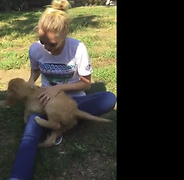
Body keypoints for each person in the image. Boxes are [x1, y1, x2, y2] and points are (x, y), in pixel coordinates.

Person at [8, 0, 117, 179]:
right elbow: (35, 70)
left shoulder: (78, 48)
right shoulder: (35, 49)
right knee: (29, 133)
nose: (47, 49)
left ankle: (58, 124)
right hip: (44, 101)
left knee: (109, 98)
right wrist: (30, 82)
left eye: (53, 44)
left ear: (65, 34)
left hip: (74, 99)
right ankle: (18, 176)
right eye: (44, 43)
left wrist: (58, 88)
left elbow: (86, 83)